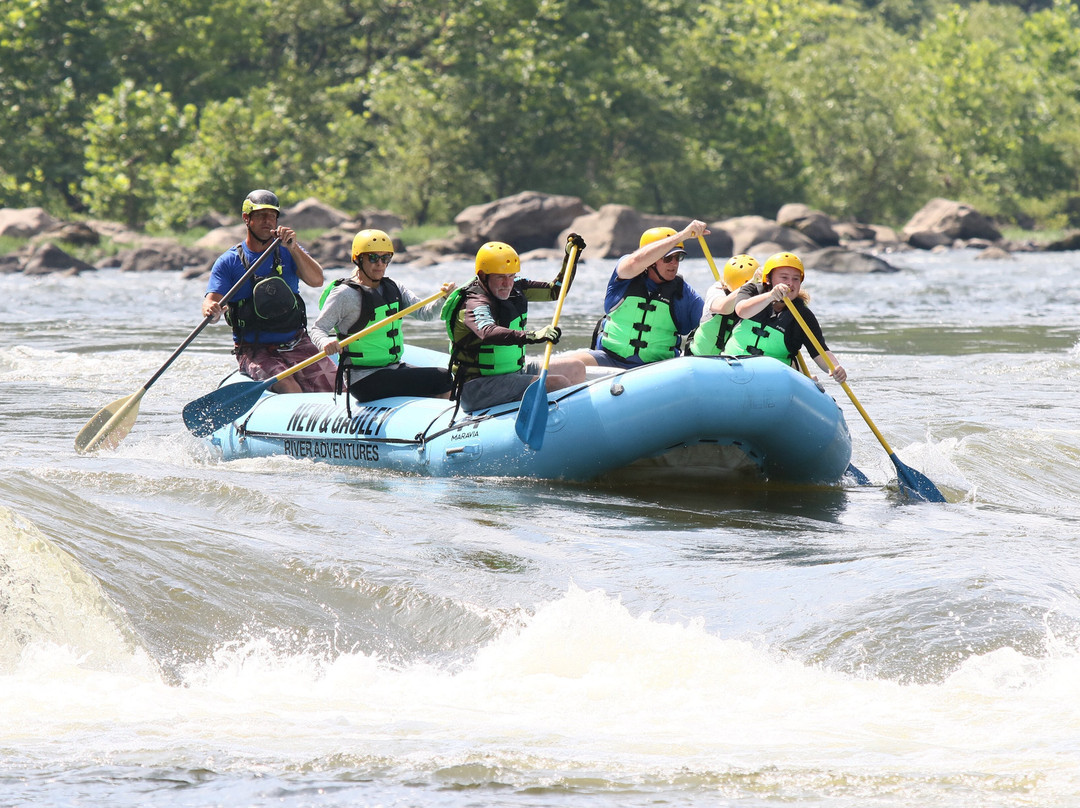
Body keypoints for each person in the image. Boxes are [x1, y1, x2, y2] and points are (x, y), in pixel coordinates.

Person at [201, 189, 337, 393]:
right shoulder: (228, 262)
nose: (267, 221)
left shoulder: (289, 251)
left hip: (296, 342)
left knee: (337, 387)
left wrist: (294, 248)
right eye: (261, 215)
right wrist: (211, 309)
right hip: (254, 349)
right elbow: (211, 303)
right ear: (247, 218)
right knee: (289, 386)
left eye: (272, 216)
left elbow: (317, 280)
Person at [309, 229, 455, 402]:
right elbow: (317, 329)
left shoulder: (395, 288)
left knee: (447, 381)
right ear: (358, 259)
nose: (380, 264)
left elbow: (426, 314)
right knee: (442, 378)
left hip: (393, 368)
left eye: (385, 258)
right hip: (363, 379)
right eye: (373, 258)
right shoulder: (344, 294)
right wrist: (325, 342)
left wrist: (443, 298)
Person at [443, 241, 586, 412]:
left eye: (511, 276)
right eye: (500, 277)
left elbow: (555, 291)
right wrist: (533, 336)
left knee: (576, 368)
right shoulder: (473, 302)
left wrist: (570, 258)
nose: (507, 283)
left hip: (512, 372)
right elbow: (487, 332)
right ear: (482, 275)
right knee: (559, 383)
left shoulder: (516, 287)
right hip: (478, 387)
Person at [572, 221, 707, 368]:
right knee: (565, 365)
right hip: (609, 359)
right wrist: (682, 235)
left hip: (657, 368)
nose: (674, 263)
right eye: (668, 258)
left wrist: (722, 298)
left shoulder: (685, 294)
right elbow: (636, 261)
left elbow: (711, 321)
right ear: (651, 260)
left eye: (678, 257)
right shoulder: (624, 277)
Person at [723, 251, 847, 383]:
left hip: (775, 377)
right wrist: (770, 296)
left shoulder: (803, 315)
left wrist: (834, 367)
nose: (790, 283)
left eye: (796, 279)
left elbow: (820, 351)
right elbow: (742, 311)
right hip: (732, 364)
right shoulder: (751, 291)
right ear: (769, 279)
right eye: (784, 277)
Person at [686, 253, 760, 356]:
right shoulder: (716, 289)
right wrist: (748, 285)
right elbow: (723, 307)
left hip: (732, 360)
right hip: (699, 357)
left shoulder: (759, 297)